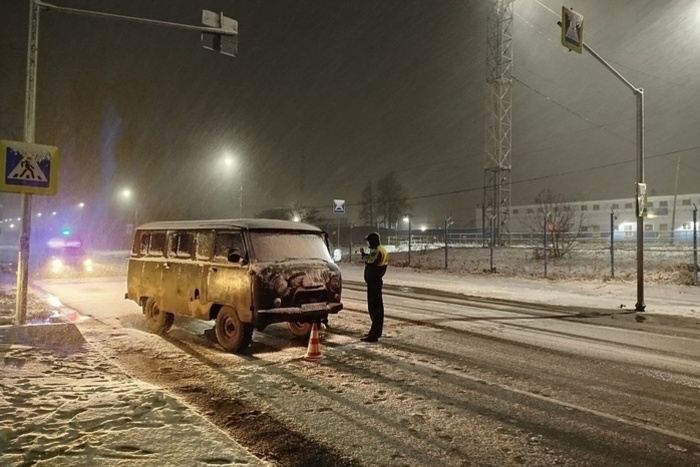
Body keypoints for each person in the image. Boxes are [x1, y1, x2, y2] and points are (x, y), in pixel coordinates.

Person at [359, 232, 389, 342]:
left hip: (374, 282)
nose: (368, 243)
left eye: (368, 241)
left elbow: (370, 261)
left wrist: (363, 255)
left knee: (374, 308)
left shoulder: (377, 250)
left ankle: (374, 334)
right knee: (377, 307)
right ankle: (375, 332)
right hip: (376, 281)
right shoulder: (381, 249)